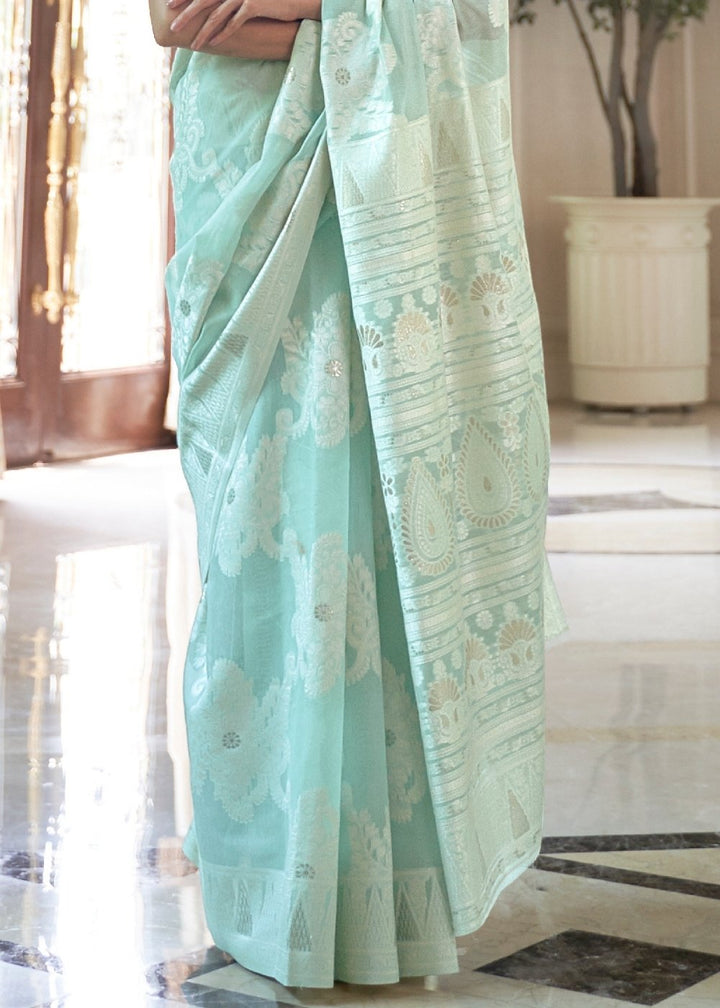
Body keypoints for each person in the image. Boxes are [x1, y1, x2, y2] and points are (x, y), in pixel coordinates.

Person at [150, 0, 564, 989]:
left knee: (379, 508)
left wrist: (317, 10)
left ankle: (384, 889)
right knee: (260, 516)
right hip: (250, 159)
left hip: (380, 157)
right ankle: (274, 863)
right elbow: (179, 19)